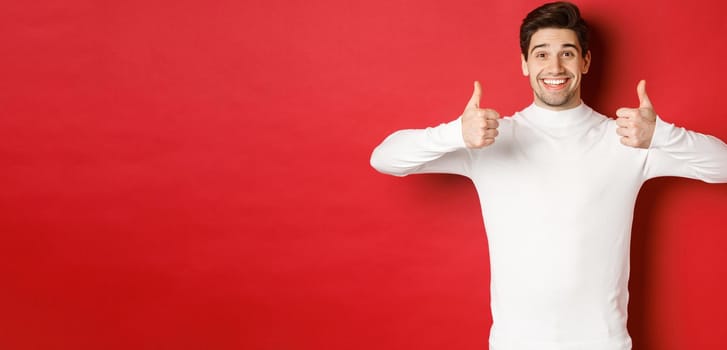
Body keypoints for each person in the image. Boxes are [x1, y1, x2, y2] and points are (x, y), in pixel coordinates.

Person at [369, 2, 727, 349]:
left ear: (585, 61)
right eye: (541, 53)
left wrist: (662, 134)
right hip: (514, 343)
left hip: (604, 343)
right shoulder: (489, 139)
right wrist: (454, 134)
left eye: (567, 53)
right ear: (524, 64)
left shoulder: (626, 140)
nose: (554, 65)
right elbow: (385, 158)